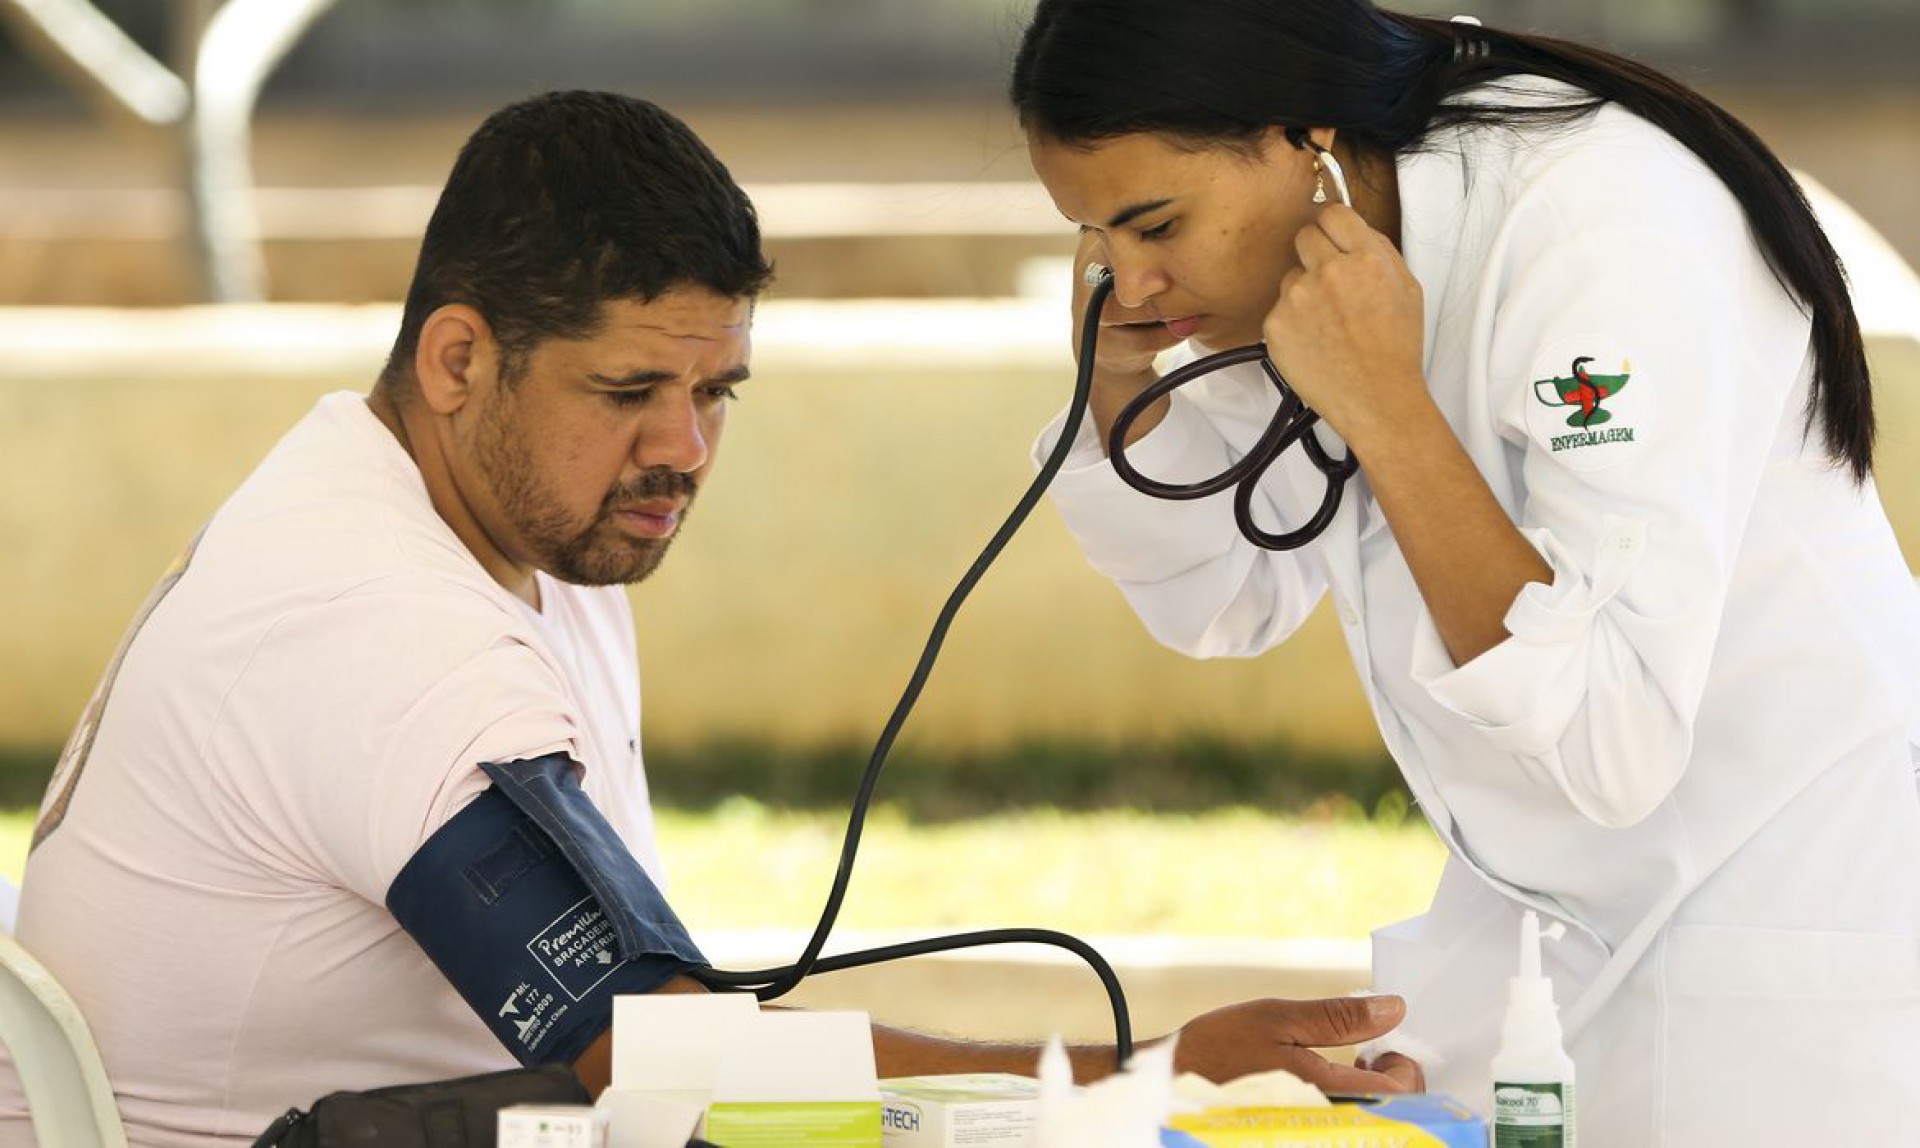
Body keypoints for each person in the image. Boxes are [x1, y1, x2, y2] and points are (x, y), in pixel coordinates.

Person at [0, 90, 1416, 1148]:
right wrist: (1149, 1075)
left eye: (716, 393)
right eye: (630, 394)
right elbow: (661, 1059)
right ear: (457, 359)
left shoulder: (459, 505)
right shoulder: (372, 627)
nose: (683, 447)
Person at [1009, 1, 1920, 1143]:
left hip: (1781, 927)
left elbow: (1612, 733)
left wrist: (1387, 406)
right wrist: (1115, 383)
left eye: (1155, 224)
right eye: (1094, 238)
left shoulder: (1597, 225)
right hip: (1555, 932)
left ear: (1305, 140)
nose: (1128, 282)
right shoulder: (1313, 251)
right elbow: (1226, 597)